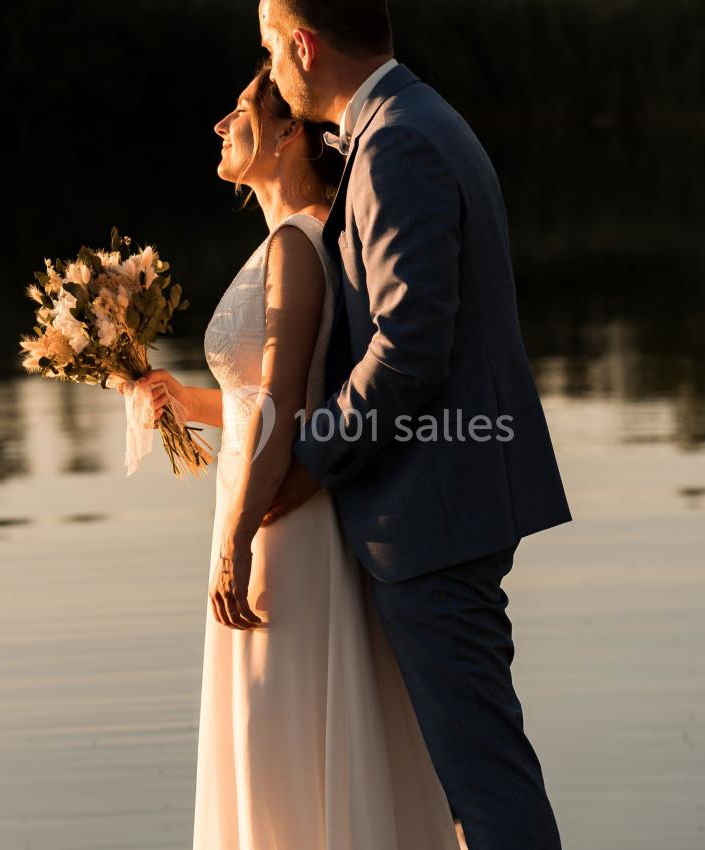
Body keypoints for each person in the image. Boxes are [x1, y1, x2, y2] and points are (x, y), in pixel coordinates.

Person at [255, 1, 573, 848]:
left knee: (483, 780)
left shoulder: (397, 142)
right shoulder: (413, 121)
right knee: (474, 778)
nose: (271, 71)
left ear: (304, 45)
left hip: (435, 513)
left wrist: (307, 461)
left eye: (270, 47)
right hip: (442, 506)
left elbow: (407, 349)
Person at [128, 63, 464, 850]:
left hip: (281, 530)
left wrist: (237, 538)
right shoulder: (305, 237)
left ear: (287, 130)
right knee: (280, 734)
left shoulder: (295, 245)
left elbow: (283, 402)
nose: (221, 125)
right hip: (273, 506)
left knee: (277, 737)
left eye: (239, 109)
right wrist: (186, 400)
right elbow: (271, 403)